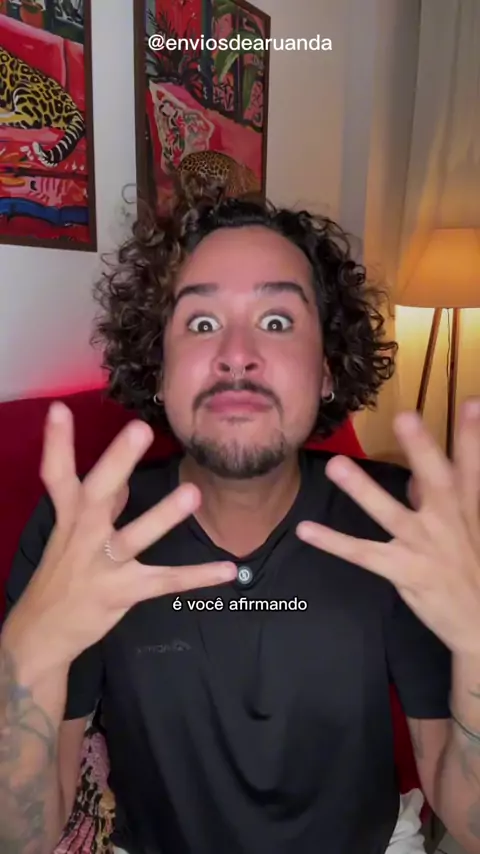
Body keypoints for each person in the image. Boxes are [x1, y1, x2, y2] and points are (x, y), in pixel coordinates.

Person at [1, 182, 479, 854]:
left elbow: (466, 818)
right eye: (201, 323)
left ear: (326, 371)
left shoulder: (406, 525)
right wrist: (26, 652)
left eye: (277, 321)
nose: (236, 352)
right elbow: (23, 837)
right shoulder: (82, 534)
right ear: (159, 371)